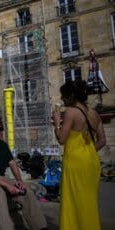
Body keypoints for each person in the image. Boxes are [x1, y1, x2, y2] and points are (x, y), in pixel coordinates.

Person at [0, 118, 47, 230]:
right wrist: (7, 185)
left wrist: (19, 181)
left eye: (1, 129)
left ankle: (39, 226)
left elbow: (12, 163)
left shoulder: (3, 146)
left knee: (26, 191)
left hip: (0, 177)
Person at [53, 80, 106, 230]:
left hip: (75, 162)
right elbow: (102, 141)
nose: (62, 99)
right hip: (91, 161)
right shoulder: (94, 113)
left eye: (64, 96)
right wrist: (87, 152)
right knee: (88, 202)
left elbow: (62, 139)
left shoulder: (71, 112)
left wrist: (57, 123)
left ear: (71, 96)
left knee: (73, 201)